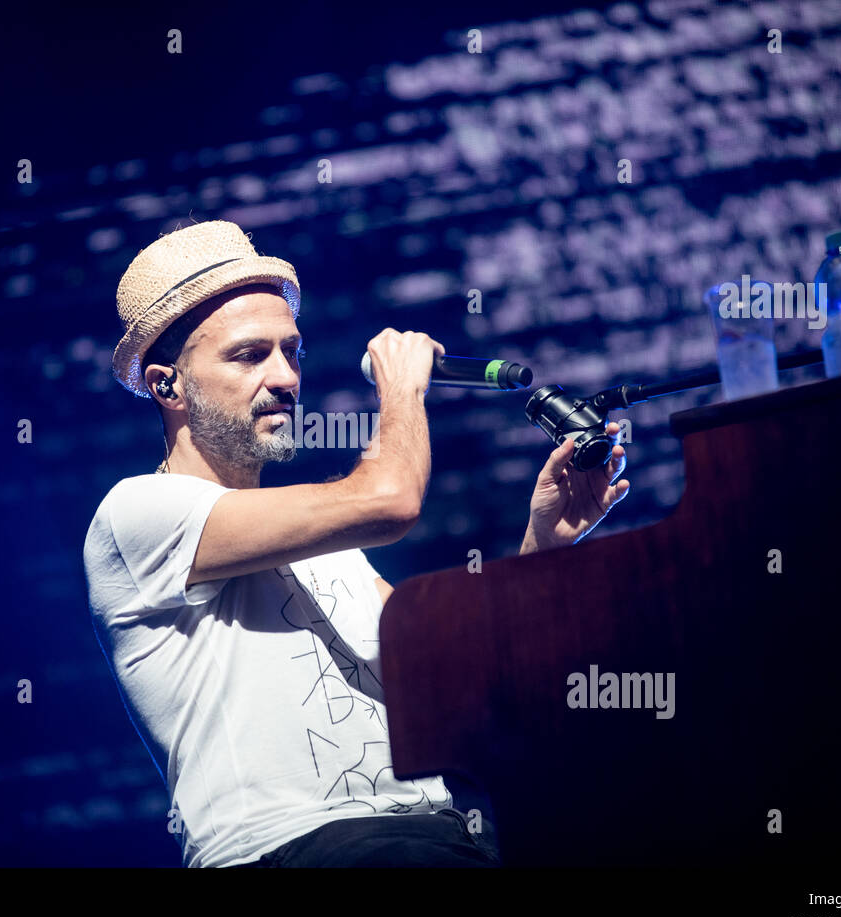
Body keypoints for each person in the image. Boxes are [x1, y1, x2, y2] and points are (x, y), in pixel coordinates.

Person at [83, 220, 630, 867]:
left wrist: (542, 541)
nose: (286, 375)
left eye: (293, 351)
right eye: (250, 354)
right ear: (166, 384)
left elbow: (458, 677)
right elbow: (392, 497)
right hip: (293, 850)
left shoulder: (327, 548)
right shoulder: (135, 514)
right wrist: (401, 389)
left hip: (437, 837)